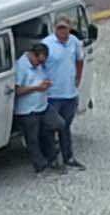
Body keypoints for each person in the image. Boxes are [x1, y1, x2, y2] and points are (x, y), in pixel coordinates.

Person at [39, 12, 89, 171]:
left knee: (66, 127)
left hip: (70, 94)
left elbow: (80, 60)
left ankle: (68, 157)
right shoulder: (46, 44)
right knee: (51, 127)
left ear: (70, 28)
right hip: (53, 95)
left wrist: (78, 78)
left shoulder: (74, 42)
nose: (63, 31)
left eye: (65, 28)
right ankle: (52, 159)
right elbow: (39, 66)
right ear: (55, 28)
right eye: (60, 28)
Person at [10, 39, 55, 170]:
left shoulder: (38, 65)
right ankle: (39, 163)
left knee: (55, 125)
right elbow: (16, 91)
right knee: (32, 138)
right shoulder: (21, 67)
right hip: (27, 111)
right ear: (33, 55)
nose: (39, 65)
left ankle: (49, 156)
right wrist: (36, 88)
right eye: (39, 61)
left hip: (41, 107)